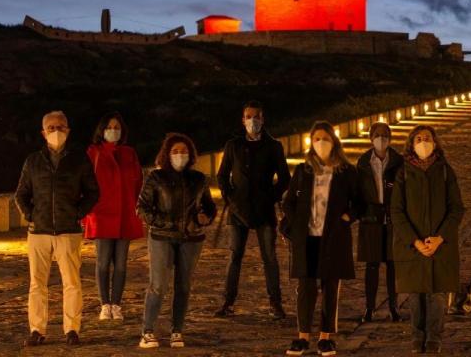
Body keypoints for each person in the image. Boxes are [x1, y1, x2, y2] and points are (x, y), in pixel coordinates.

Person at [15, 111, 100, 347]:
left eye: (61, 127)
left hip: (68, 230)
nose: (56, 131)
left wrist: (78, 213)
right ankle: (37, 329)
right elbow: (21, 194)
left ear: (68, 130)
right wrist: (30, 215)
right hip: (38, 231)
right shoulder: (33, 161)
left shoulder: (78, 160)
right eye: (51, 128)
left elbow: (93, 192)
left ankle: (72, 328)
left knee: (72, 282)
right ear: (43, 132)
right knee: (37, 284)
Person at [280, 122, 361, 357]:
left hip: (333, 238)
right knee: (305, 287)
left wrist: (347, 218)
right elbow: (288, 203)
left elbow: (360, 202)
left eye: (325, 138)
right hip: (307, 238)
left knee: (330, 287)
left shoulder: (346, 171)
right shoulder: (302, 170)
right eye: (316, 139)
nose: (321, 143)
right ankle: (302, 336)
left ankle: (326, 337)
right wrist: (296, 225)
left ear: (334, 141)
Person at [136, 133, 217, 349]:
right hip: (162, 237)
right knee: (158, 286)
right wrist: (160, 222)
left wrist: (206, 217)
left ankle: (177, 330)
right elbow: (142, 207)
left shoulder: (199, 179)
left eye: (184, 151)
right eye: (175, 151)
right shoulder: (156, 178)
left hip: (191, 238)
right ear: (167, 154)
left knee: (183, 286)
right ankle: (148, 330)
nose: (180, 155)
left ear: (190, 155)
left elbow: (209, 206)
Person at [391, 125, 465, 354]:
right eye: (419, 138)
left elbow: (456, 209)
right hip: (413, 246)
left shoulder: (445, 171)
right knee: (416, 294)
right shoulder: (403, 172)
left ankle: (434, 337)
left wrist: (440, 238)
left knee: (437, 294)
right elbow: (396, 211)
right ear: (412, 144)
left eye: (427, 138)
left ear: (435, 143)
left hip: (441, 245)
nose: (423, 142)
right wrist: (415, 241)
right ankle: (417, 336)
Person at [215, 100, 291, 319]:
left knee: (270, 257)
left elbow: (284, 178)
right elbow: (222, 175)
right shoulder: (233, 145)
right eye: (249, 116)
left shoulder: (274, 146)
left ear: (263, 119)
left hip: (264, 210)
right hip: (238, 210)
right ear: (243, 119)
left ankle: (275, 303)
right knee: (234, 256)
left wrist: (271, 197)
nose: (253, 120)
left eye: (257, 116)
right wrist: (229, 197)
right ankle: (227, 302)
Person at [83, 112, 144, 321]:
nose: (113, 130)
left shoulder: (129, 153)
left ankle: (116, 304)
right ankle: (104, 304)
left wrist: (137, 208)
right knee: (102, 262)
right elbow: (86, 183)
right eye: (109, 127)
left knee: (121, 263)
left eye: (117, 127)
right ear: (102, 130)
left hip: (126, 213)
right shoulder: (93, 152)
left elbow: (138, 182)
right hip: (102, 213)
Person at [355, 122, 404, 323]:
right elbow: (357, 191)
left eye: (385, 134)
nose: (381, 138)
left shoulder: (399, 161)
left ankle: (394, 306)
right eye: (377, 134)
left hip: (393, 219)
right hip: (371, 220)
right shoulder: (364, 162)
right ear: (370, 137)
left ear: (390, 137)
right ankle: (369, 307)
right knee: (372, 266)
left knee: (393, 266)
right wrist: (361, 213)